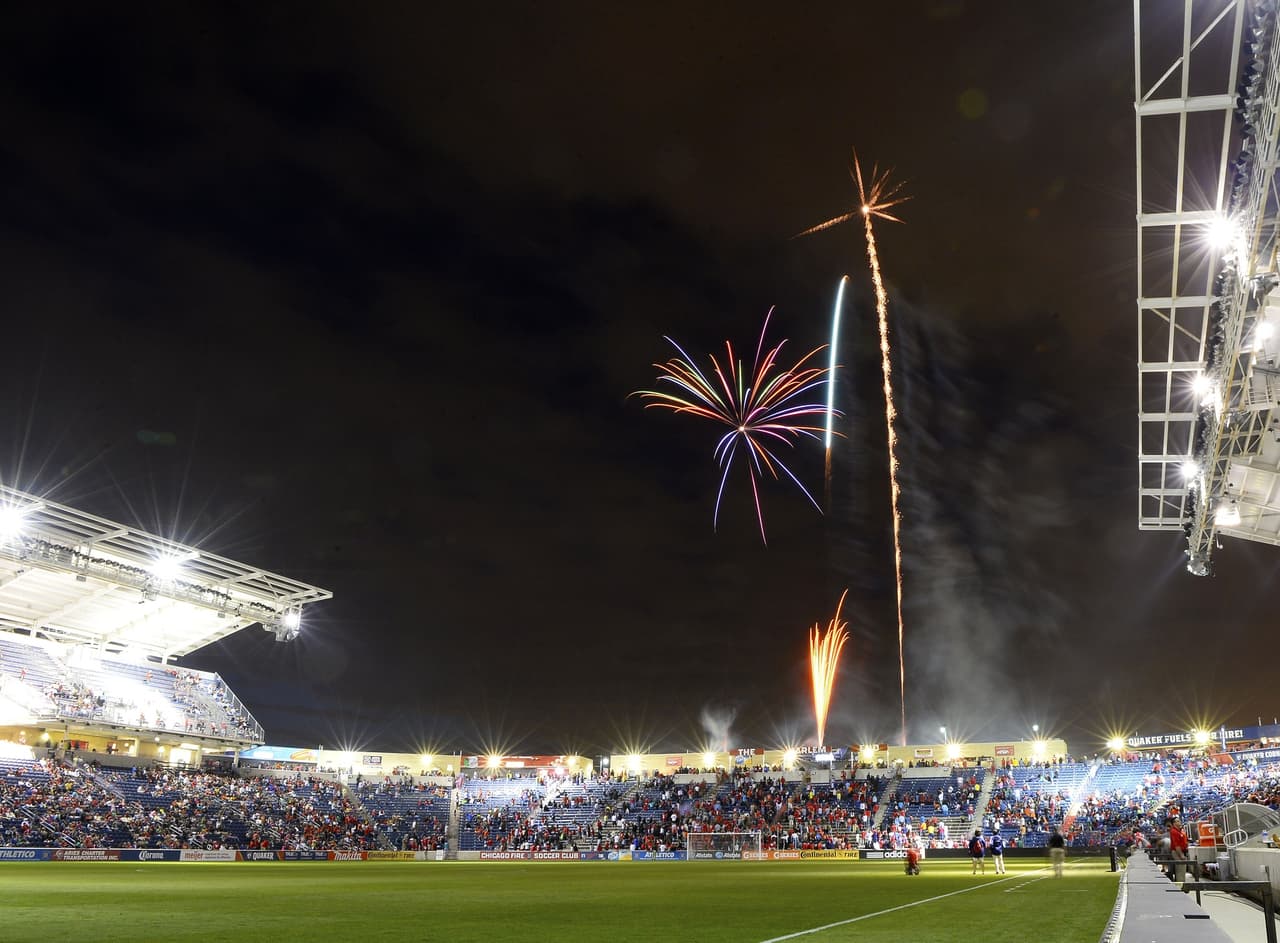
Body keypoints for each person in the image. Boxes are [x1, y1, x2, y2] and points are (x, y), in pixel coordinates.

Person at [1168, 818, 1189, 882]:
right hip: (1177, 852)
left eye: (1179, 821)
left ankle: (1182, 883)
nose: (1179, 822)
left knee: (1182, 869)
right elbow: (1176, 845)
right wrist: (1181, 855)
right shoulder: (1174, 831)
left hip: (1182, 851)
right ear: (1174, 823)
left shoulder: (1179, 831)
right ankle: (1181, 885)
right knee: (1180, 868)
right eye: (1177, 821)